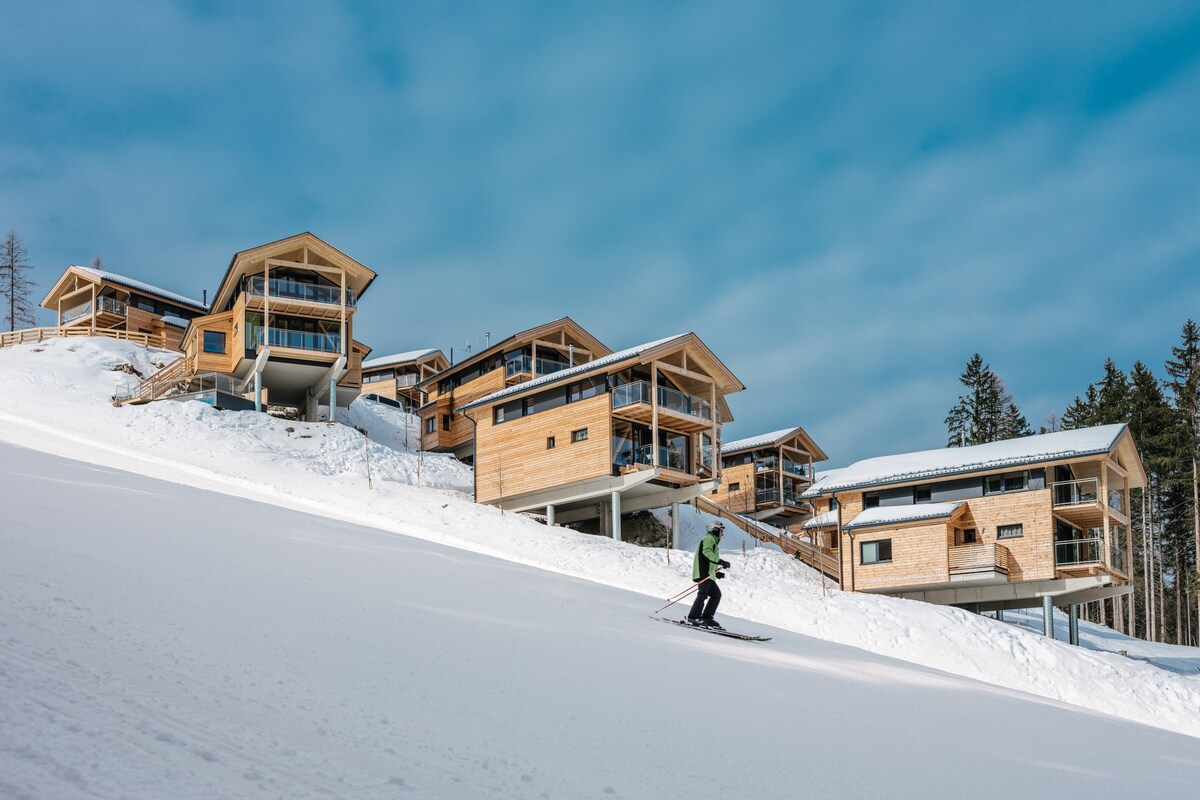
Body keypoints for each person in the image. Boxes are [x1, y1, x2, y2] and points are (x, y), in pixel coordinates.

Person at [688, 521, 731, 629]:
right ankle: (693, 617)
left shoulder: (713, 541)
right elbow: (706, 553)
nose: (722, 534)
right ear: (715, 530)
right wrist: (720, 561)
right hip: (703, 572)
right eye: (721, 531)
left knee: (716, 595)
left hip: (708, 574)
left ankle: (707, 618)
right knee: (703, 594)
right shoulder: (708, 539)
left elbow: (709, 560)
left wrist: (716, 573)